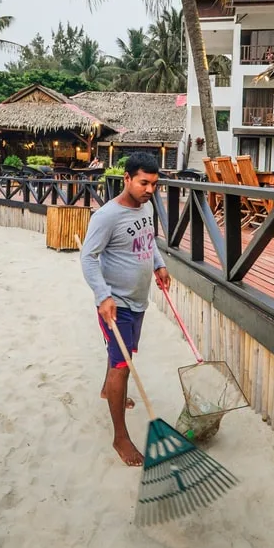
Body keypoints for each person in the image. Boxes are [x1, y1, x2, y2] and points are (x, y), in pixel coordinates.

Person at [80, 151, 171, 466]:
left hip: (139, 299)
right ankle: (120, 437)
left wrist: (158, 265)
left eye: (154, 184)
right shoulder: (106, 216)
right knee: (123, 364)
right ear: (127, 179)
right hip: (115, 304)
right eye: (144, 183)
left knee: (125, 352)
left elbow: (148, 241)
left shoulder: (145, 209)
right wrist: (103, 296)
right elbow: (88, 257)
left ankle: (108, 391)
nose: (149, 190)